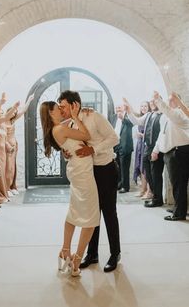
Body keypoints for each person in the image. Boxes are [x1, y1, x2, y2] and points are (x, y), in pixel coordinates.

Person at [57, 90, 120, 273]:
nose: (61, 111)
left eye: (63, 107)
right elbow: (72, 148)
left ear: (75, 104)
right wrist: (66, 153)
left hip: (106, 169)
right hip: (87, 172)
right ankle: (92, 254)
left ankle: (115, 253)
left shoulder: (94, 116)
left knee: (109, 212)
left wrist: (93, 149)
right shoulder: (69, 124)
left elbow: (114, 138)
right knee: (91, 214)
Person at [40, 100, 100, 276]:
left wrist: (79, 113)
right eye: (58, 109)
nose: (61, 111)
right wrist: (75, 116)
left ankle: (65, 250)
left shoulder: (57, 128)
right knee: (91, 218)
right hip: (82, 173)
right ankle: (77, 260)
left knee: (74, 211)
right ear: (51, 113)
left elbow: (70, 128)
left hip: (77, 169)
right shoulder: (60, 129)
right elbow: (86, 135)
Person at [152, 91, 189, 221]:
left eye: (172, 100)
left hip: (179, 152)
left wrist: (158, 100)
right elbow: (162, 135)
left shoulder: (180, 113)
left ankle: (180, 213)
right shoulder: (166, 117)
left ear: (179, 101)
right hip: (170, 153)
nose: (170, 102)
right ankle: (178, 208)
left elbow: (171, 113)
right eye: (169, 100)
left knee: (179, 184)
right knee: (176, 183)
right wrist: (156, 150)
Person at [114, 105, 133, 193]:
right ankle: (119, 184)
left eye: (120, 108)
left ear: (124, 109)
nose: (118, 110)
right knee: (118, 167)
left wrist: (122, 118)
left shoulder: (128, 117)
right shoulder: (114, 118)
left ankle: (125, 187)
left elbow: (131, 123)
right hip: (116, 146)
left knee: (124, 168)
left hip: (125, 147)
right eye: (117, 108)